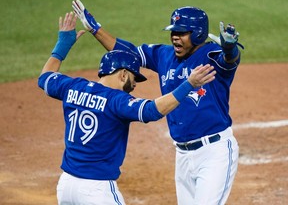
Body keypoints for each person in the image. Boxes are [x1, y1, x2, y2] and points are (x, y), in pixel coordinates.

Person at [72, 0, 245, 205]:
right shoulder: (164, 55)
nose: (175, 37)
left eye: (181, 33)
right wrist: (96, 30)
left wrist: (230, 49)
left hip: (214, 153)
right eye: (173, 32)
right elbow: (127, 53)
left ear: (198, 34)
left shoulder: (211, 57)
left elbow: (230, 61)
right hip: (182, 155)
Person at [38, 12, 216, 205]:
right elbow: (152, 110)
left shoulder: (72, 86)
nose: (134, 84)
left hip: (65, 186)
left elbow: (45, 76)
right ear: (123, 75)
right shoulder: (117, 101)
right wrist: (188, 84)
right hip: (96, 190)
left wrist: (63, 45)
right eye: (133, 78)